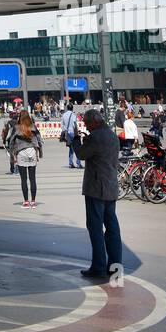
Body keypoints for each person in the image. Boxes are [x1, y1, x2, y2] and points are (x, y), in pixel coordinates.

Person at [70, 108, 123, 281]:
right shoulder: (112, 136)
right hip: (111, 186)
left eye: (86, 123)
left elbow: (82, 154)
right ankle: (115, 266)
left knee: (95, 227)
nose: (86, 125)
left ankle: (99, 266)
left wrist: (76, 140)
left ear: (94, 122)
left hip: (96, 188)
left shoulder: (96, 136)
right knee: (112, 227)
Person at [7, 110, 43, 207]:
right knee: (32, 179)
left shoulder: (16, 128)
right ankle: (34, 201)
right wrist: (39, 152)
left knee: (23, 179)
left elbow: (11, 141)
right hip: (32, 152)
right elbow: (40, 139)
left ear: (20, 117)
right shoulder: (33, 127)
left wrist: (12, 155)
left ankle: (26, 201)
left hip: (21, 153)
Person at [60, 101, 82, 169]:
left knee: (71, 149)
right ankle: (78, 163)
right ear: (72, 108)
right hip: (73, 133)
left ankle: (70, 163)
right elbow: (74, 125)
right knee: (78, 148)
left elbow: (62, 125)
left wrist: (65, 132)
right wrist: (77, 132)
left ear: (67, 108)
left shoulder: (64, 115)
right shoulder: (73, 115)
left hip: (67, 134)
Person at [1, 109, 20, 174]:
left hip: (11, 140)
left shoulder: (9, 123)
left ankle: (12, 169)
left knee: (12, 155)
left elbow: (6, 133)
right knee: (17, 155)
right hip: (18, 140)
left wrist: (3, 141)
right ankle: (18, 169)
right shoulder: (19, 123)